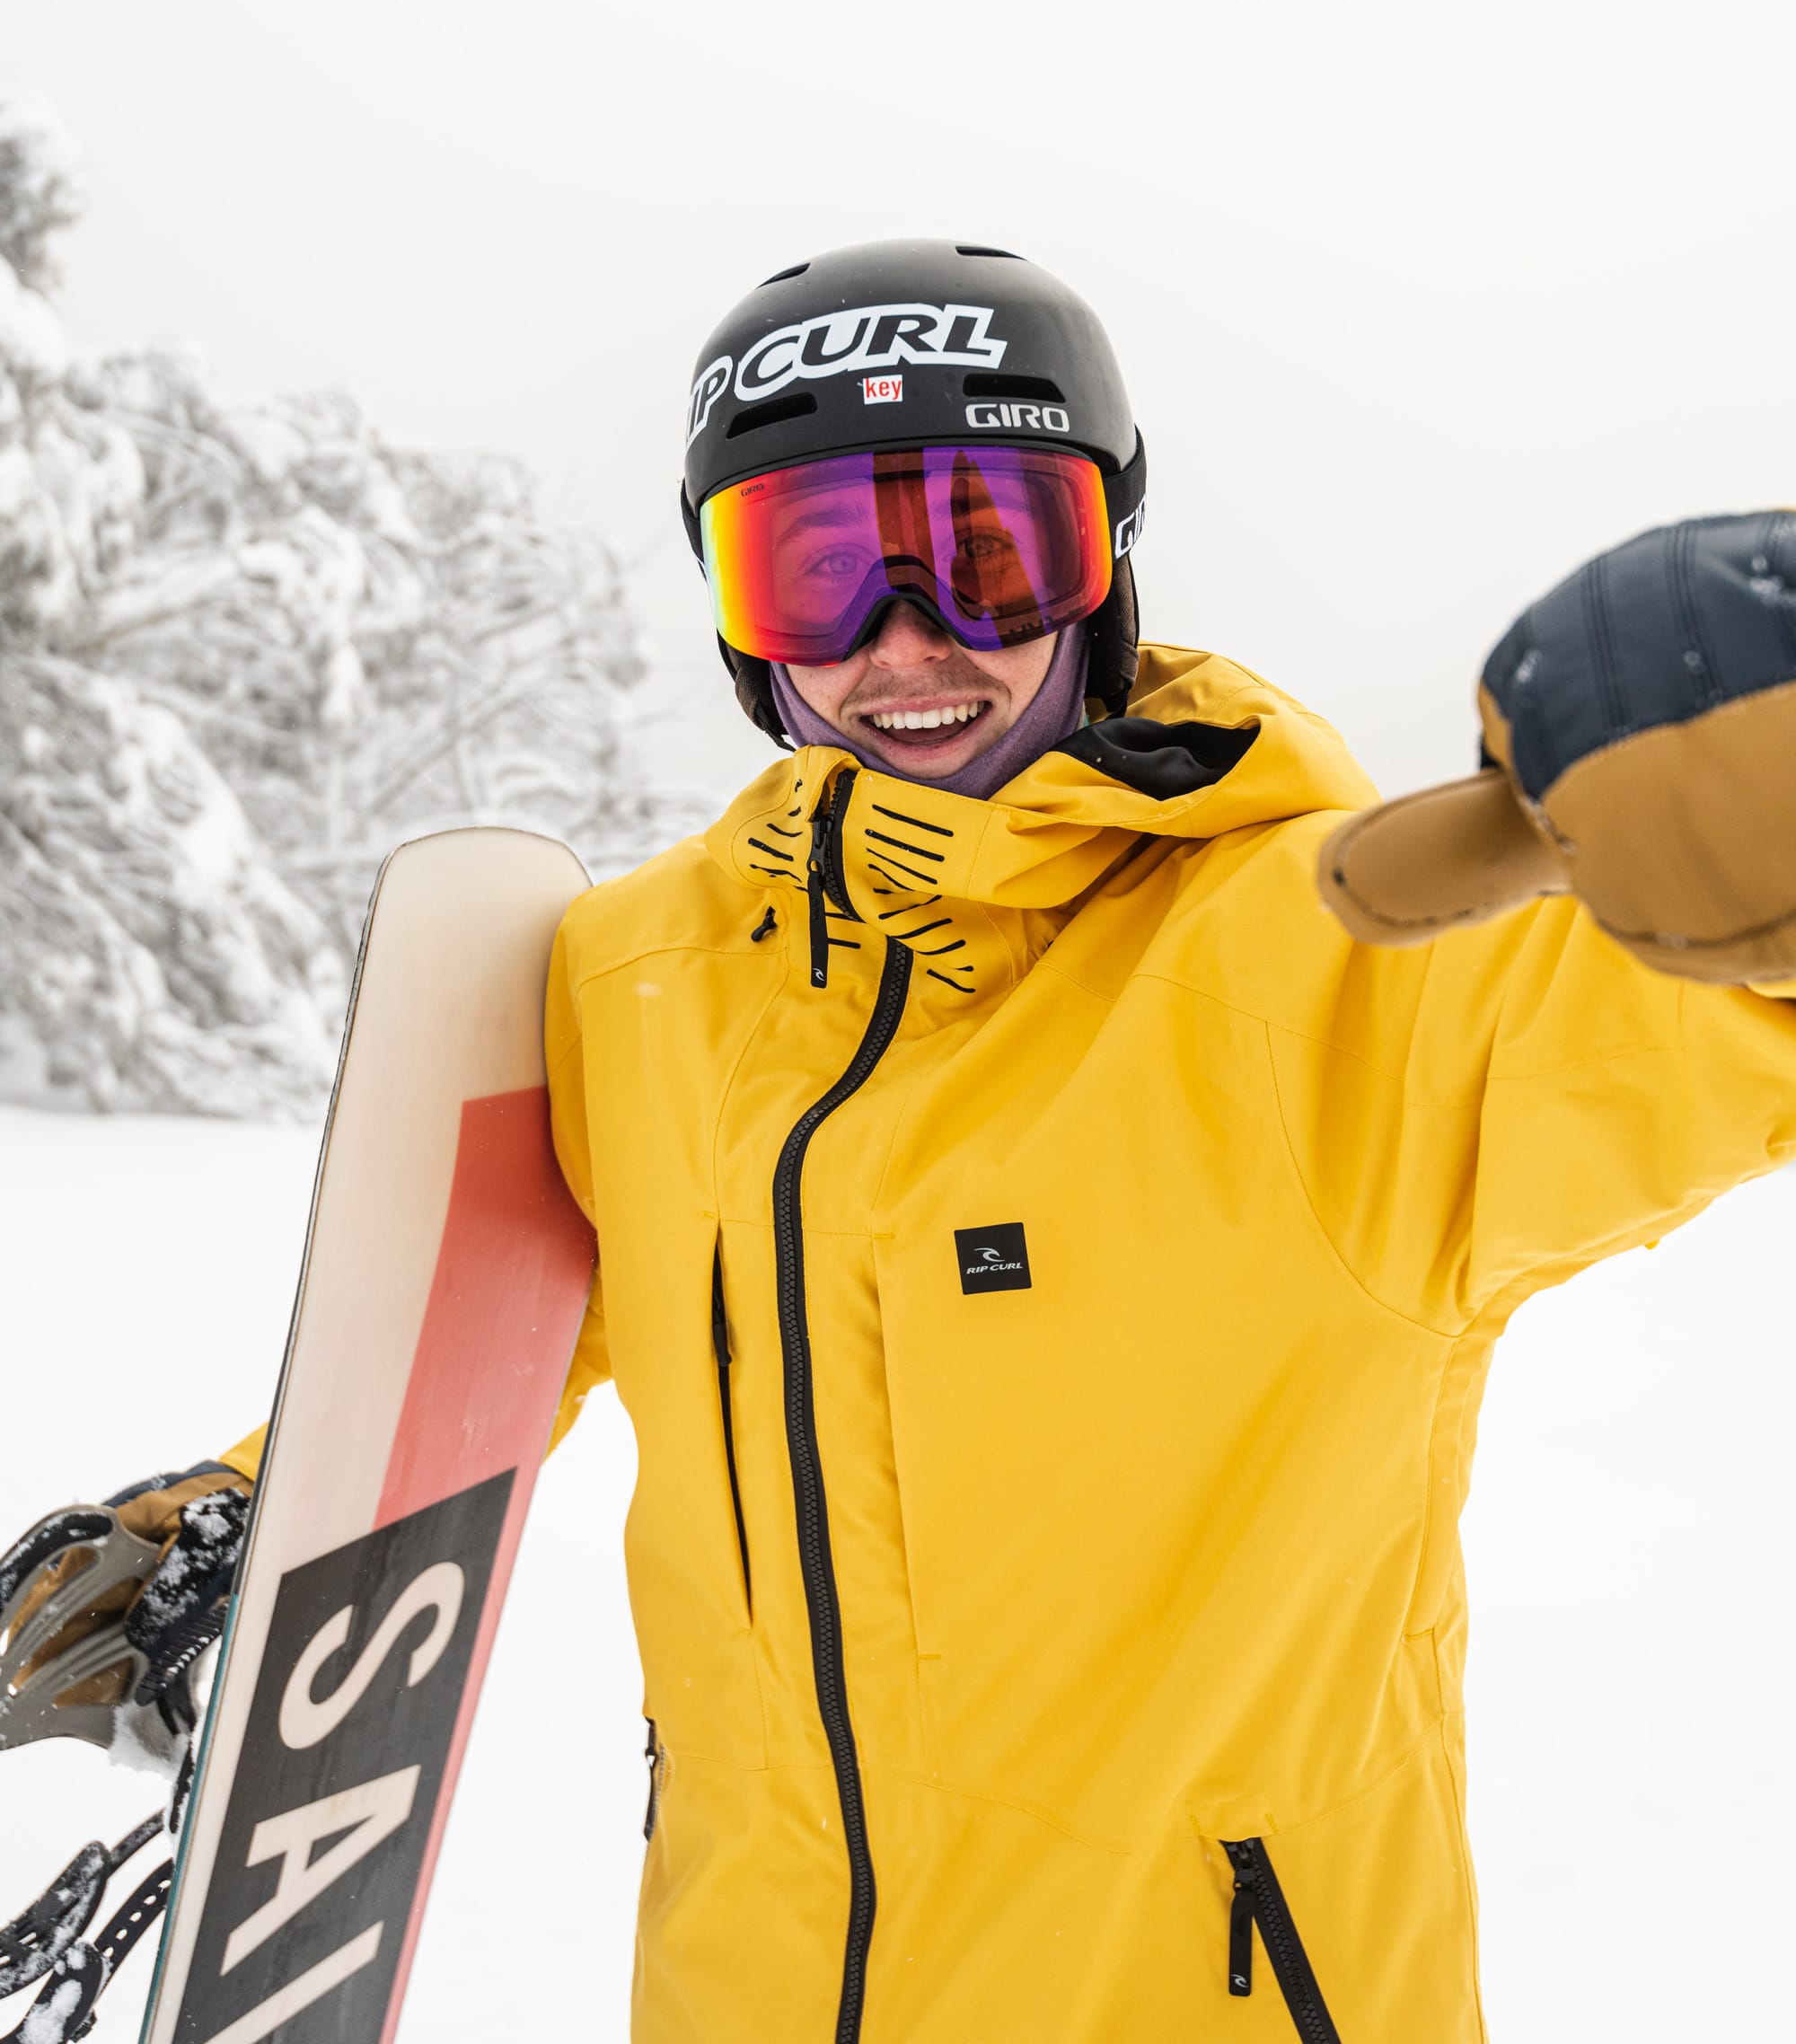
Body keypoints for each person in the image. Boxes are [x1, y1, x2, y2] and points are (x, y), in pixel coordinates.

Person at [5, 238, 1794, 2042]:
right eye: (819, 571)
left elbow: (1703, 1021)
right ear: (732, 614)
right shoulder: (641, 979)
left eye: (990, 551)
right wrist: (253, 1512)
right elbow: (526, 1323)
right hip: (748, 1986)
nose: (908, 641)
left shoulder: (1341, 970)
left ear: (1100, 568)